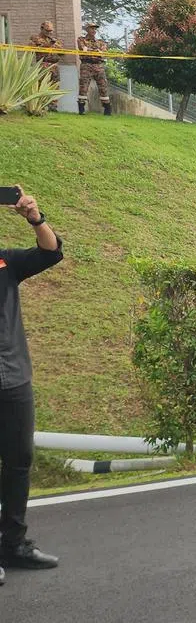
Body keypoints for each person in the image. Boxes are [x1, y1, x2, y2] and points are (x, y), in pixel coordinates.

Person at [0, 187, 63, 586]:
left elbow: (50, 253)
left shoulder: (6, 262)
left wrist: (35, 218)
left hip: (14, 378)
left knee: (19, 462)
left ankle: (13, 544)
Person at [76, 22, 112, 115]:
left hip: (98, 65)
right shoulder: (81, 39)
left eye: (95, 28)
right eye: (92, 28)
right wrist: (97, 51)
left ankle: (107, 108)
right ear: (87, 29)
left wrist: (89, 50)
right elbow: (82, 49)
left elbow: (103, 52)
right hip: (86, 65)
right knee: (83, 86)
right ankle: (81, 108)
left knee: (103, 86)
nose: (94, 30)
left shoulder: (101, 42)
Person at [28, 22, 62, 111]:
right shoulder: (35, 38)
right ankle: (40, 106)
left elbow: (62, 52)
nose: (49, 33)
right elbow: (31, 48)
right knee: (41, 85)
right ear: (42, 29)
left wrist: (56, 45)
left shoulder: (54, 40)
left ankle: (53, 106)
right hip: (43, 64)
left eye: (51, 31)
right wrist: (48, 45)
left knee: (55, 85)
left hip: (54, 65)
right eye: (47, 31)